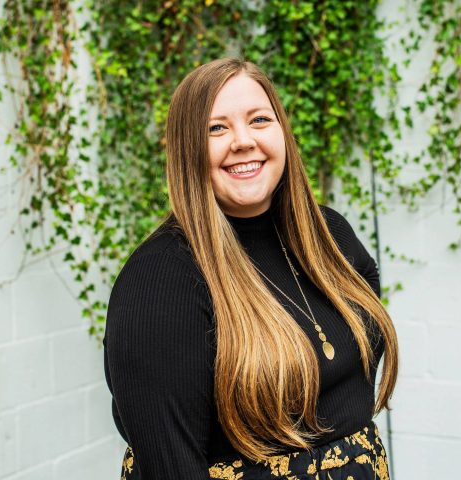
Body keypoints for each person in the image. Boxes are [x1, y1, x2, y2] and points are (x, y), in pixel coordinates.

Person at [104, 57, 399, 480]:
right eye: (216, 128)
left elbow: (364, 330)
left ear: (281, 131)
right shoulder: (161, 281)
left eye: (259, 119)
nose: (243, 140)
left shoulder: (329, 233)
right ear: (188, 149)